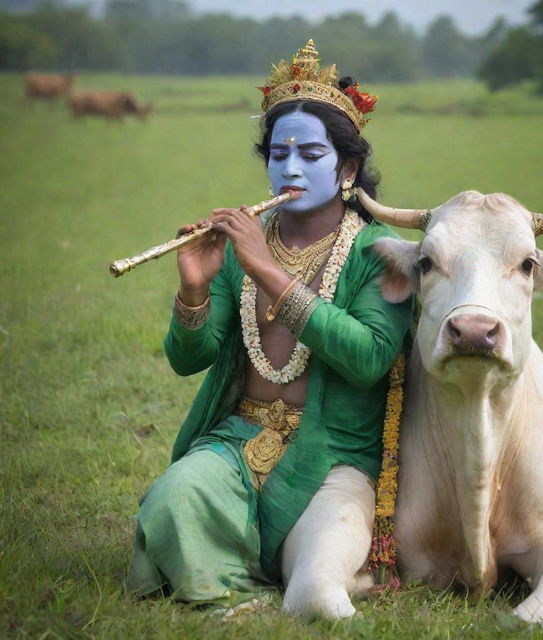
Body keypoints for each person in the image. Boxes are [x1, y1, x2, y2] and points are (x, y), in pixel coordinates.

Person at [126, 40, 412, 619]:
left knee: (317, 568)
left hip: (334, 458)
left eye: (310, 152)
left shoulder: (377, 253)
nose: (290, 167)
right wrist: (194, 287)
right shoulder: (243, 249)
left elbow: (369, 357)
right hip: (238, 441)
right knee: (172, 499)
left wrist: (266, 269)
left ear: (348, 168)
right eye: (278, 154)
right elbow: (190, 359)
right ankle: (240, 593)